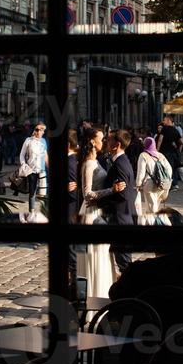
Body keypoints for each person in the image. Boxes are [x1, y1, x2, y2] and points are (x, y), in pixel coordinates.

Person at [76, 128, 116, 299]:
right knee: (95, 259)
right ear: (92, 141)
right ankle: (93, 299)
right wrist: (111, 190)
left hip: (98, 210)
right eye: (101, 138)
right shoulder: (89, 164)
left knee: (102, 257)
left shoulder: (96, 160)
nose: (104, 141)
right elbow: (87, 194)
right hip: (91, 212)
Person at [96, 129, 139, 277]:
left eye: (108, 140)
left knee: (124, 263)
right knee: (123, 260)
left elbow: (122, 193)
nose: (105, 142)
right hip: (122, 216)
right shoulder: (121, 161)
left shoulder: (120, 163)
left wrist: (100, 199)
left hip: (120, 217)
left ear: (117, 145)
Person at [135, 135, 170, 224]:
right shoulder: (160, 155)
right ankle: (155, 222)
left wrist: (138, 184)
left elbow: (141, 172)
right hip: (162, 185)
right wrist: (166, 181)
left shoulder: (143, 155)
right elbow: (169, 169)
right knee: (156, 206)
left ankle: (154, 224)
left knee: (151, 208)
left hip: (150, 185)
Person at [19, 120, 49, 217]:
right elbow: (22, 155)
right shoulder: (28, 140)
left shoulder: (43, 141)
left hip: (42, 170)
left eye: (43, 130)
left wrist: (48, 165)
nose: (43, 132)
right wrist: (24, 165)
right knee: (32, 192)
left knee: (43, 193)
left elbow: (45, 155)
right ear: (36, 131)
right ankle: (31, 212)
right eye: (41, 130)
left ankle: (42, 212)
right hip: (31, 170)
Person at [159, 115, 183, 192]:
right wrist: (178, 149)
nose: (163, 121)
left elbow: (160, 140)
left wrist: (157, 149)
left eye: (164, 120)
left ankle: (169, 184)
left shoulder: (164, 129)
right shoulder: (176, 130)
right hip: (173, 152)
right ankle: (175, 184)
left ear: (169, 120)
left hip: (165, 152)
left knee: (165, 168)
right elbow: (182, 142)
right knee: (173, 168)